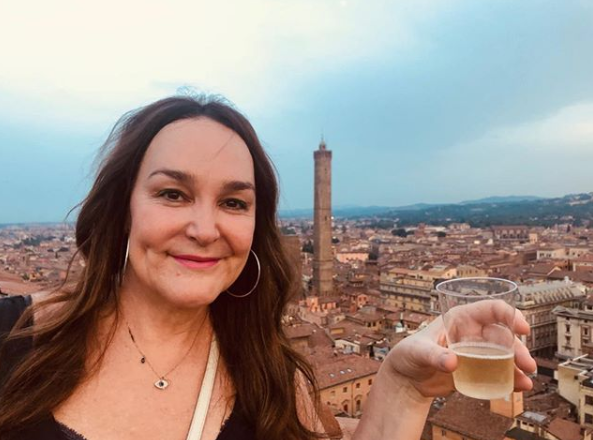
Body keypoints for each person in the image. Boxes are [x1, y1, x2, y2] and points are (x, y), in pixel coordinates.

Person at [0, 95, 537, 440]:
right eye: (172, 193)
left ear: (257, 229)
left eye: (235, 203)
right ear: (121, 209)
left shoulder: (276, 383)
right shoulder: (12, 340)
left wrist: (401, 386)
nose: (205, 228)